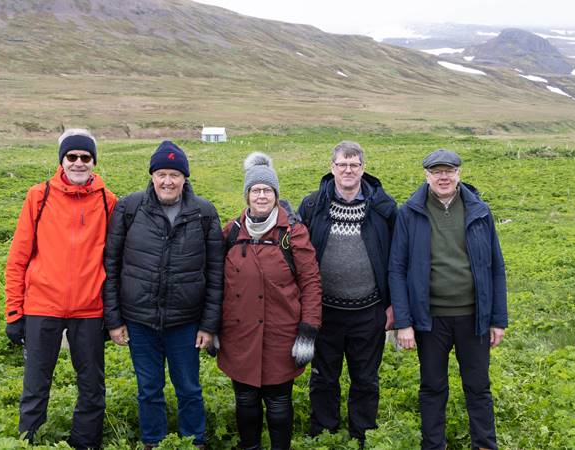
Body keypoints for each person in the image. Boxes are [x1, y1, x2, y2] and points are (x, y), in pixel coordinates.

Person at [102, 140, 223, 450]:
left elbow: (215, 273)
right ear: (152, 176)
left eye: (175, 174)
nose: (168, 181)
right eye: (161, 174)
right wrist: (114, 321)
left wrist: (209, 326)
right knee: (149, 389)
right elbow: (111, 265)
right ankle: (153, 442)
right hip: (140, 320)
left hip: (185, 322)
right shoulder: (129, 208)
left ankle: (194, 441)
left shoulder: (204, 213)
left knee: (189, 388)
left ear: (185, 178)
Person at [4, 128, 117, 449]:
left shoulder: (109, 203)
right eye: (72, 157)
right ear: (62, 160)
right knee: (35, 387)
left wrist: (112, 313)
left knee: (92, 387)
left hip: (90, 311)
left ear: (94, 162)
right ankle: (29, 442)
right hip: (42, 308)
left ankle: (85, 444)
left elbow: (115, 263)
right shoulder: (38, 197)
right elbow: (17, 259)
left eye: (85, 157)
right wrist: (14, 312)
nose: (78, 163)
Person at [388, 149, 508, 450]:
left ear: (459, 174)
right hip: (430, 319)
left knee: (478, 387)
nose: (443, 177)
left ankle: (484, 445)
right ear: (427, 175)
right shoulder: (409, 213)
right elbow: (397, 269)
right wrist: (404, 323)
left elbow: (496, 268)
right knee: (432, 387)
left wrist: (498, 319)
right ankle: (433, 445)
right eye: (436, 171)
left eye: (449, 171)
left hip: (474, 317)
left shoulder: (480, 211)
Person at [218, 152, 322, 450]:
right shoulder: (232, 231)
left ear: (276, 195)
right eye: (255, 190)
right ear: (247, 195)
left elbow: (311, 283)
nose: (261, 196)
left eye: (267, 190)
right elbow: (215, 282)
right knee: (245, 400)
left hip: (281, 332)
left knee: (278, 402)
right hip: (240, 333)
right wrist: (212, 326)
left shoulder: (294, 233)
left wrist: (308, 331)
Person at [298, 141, 398, 446]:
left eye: (354, 165)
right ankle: (324, 433)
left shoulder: (384, 208)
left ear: (363, 169)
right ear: (332, 168)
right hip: (325, 311)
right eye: (342, 164)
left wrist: (393, 304)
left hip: (369, 311)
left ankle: (362, 434)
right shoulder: (313, 205)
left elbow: (397, 259)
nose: (348, 170)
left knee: (365, 379)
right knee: (323, 377)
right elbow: (299, 258)